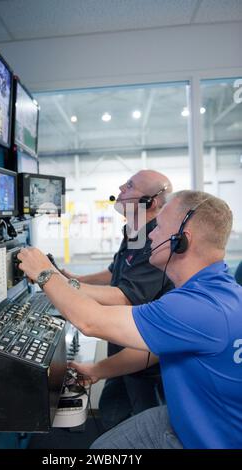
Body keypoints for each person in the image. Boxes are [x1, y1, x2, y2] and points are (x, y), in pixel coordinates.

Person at [18, 190, 242, 449]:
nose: (150, 235)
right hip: (190, 414)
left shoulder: (198, 307)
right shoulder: (216, 291)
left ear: (180, 240)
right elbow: (157, 350)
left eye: (157, 228)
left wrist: (45, 273)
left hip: (210, 439)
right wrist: (97, 370)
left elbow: (91, 321)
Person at [62, 169, 173, 430]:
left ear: (151, 202)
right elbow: (115, 273)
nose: (121, 188)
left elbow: (125, 297)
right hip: (121, 351)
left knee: (147, 429)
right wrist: (75, 277)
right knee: (112, 417)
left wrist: (65, 286)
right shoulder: (135, 231)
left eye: (130, 186)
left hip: (146, 363)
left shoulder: (155, 239)